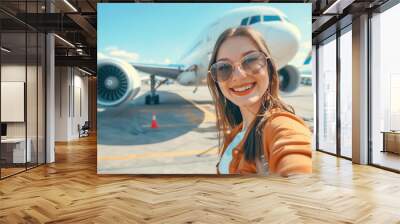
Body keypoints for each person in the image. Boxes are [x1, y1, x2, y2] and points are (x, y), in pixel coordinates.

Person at [207, 26, 312, 176]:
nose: (239, 76)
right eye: (224, 68)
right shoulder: (236, 133)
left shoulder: (282, 127)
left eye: (250, 60)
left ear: (269, 67)